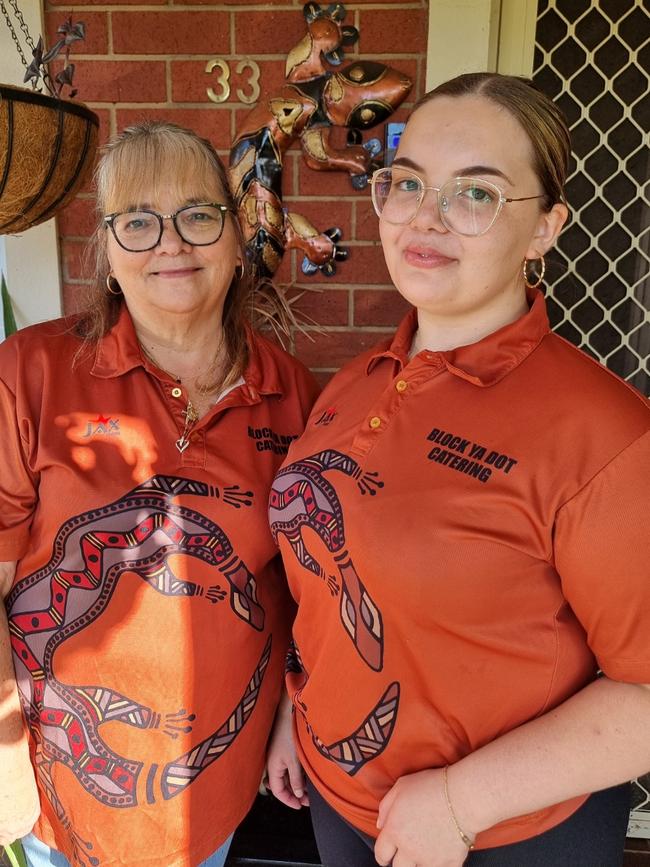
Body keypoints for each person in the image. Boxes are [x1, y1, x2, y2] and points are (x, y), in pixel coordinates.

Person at [266, 72, 650, 867]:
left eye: (476, 194)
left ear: (546, 228)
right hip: (339, 801)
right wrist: (296, 709)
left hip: (502, 835)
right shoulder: (357, 379)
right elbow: (335, 579)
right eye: (407, 183)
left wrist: (458, 801)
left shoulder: (605, 435)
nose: (426, 218)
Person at [0, 120, 318, 867]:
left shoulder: (290, 394)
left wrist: (285, 717)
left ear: (237, 239)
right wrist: (3, 752)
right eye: (137, 221)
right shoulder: (32, 372)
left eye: (197, 216)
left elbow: (303, 589)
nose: (170, 243)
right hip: (58, 783)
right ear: (108, 252)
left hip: (212, 779)